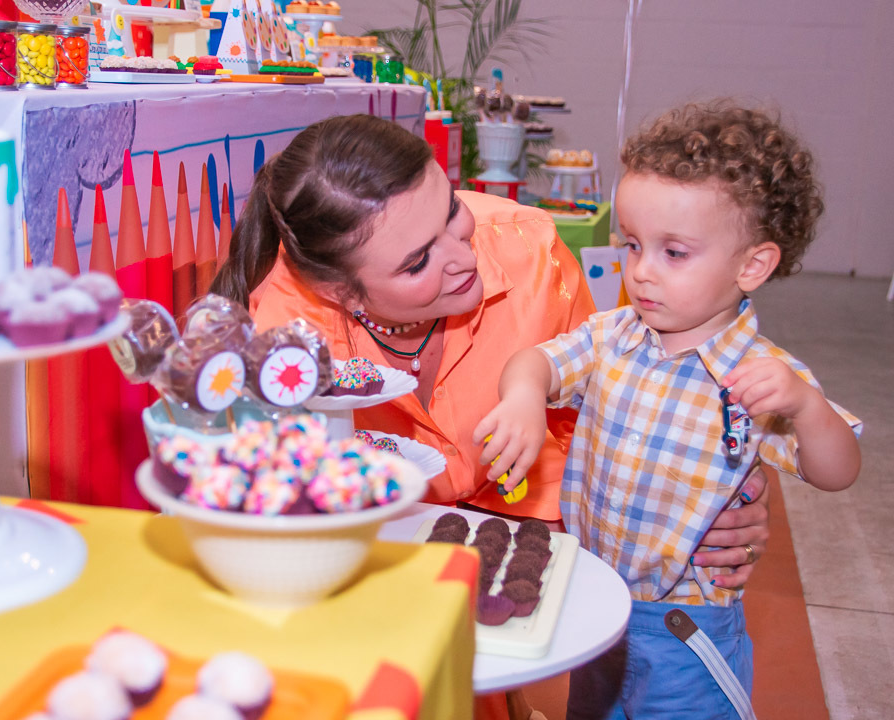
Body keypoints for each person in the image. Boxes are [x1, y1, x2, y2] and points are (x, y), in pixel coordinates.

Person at [211, 113, 773, 718]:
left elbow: (607, 410)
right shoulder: (288, 343)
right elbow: (286, 517)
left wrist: (705, 492)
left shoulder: (532, 252)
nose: (463, 256)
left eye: (451, 210)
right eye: (418, 262)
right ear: (342, 295)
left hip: (528, 520)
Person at [480, 101, 863, 719]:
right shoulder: (611, 337)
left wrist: (808, 406)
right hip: (594, 602)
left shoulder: (761, 377)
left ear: (753, 265)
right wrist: (524, 397)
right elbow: (536, 364)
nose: (642, 272)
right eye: (632, 245)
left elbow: (837, 470)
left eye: (674, 253)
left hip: (687, 631)